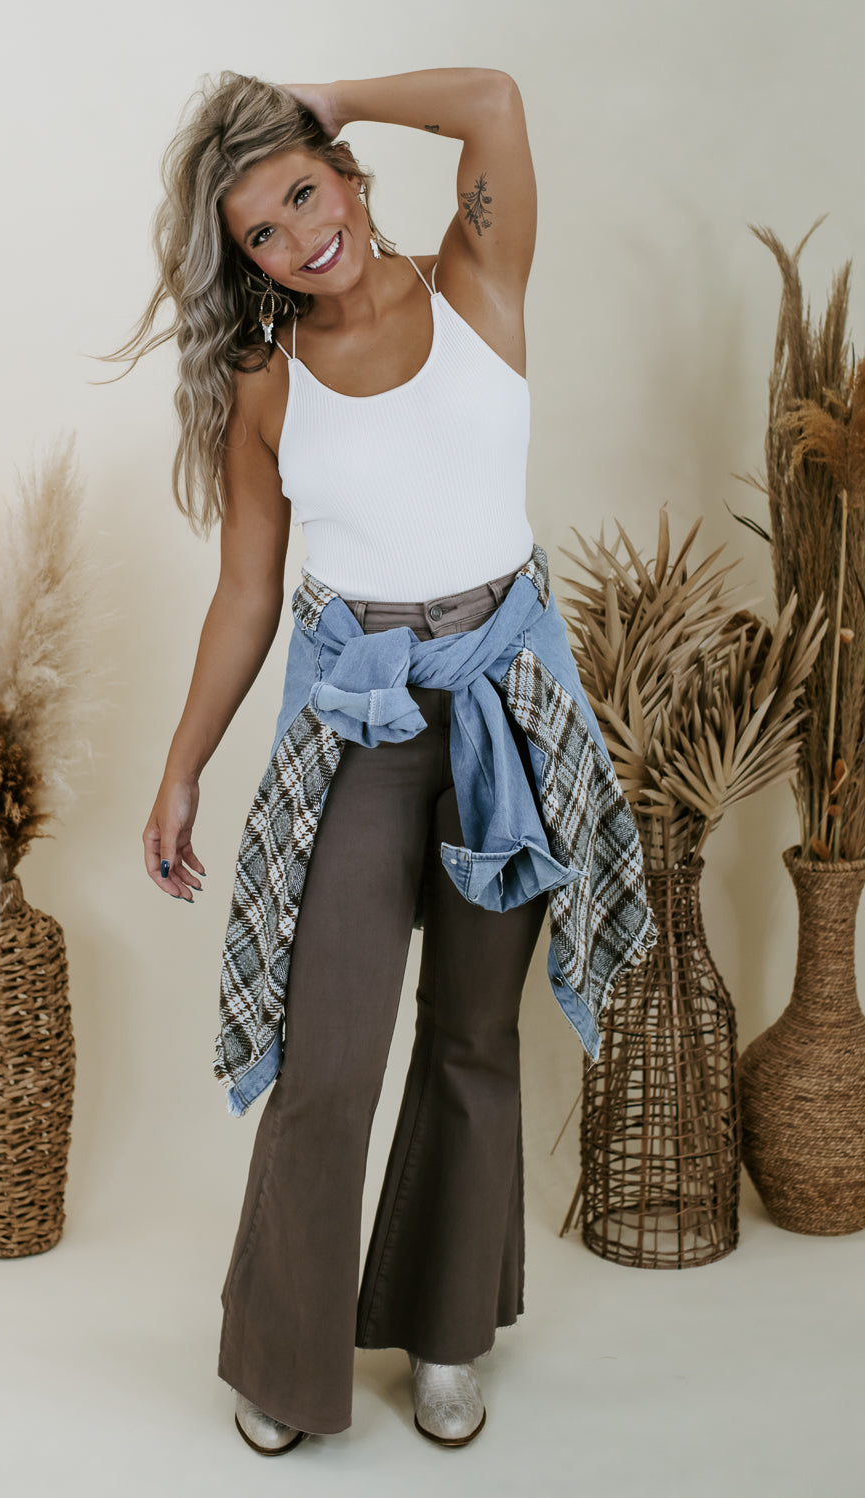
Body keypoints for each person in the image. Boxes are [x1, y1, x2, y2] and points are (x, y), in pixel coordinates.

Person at [103, 68, 656, 1454]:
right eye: (263, 233)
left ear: (345, 169)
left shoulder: (478, 278)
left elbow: (498, 102)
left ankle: (448, 1333)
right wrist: (180, 768)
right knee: (328, 1054)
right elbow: (247, 590)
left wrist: (332, 92)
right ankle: (283, 1356)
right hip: (359, 722)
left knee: (473, 1036)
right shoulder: (265, 381)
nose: (302, 238)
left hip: (505, 711)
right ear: (246, 262)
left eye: (305, 192)